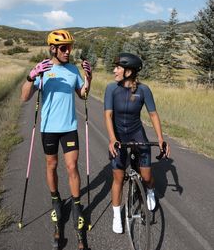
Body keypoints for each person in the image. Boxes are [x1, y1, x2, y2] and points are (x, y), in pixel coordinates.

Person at [21, 29, 92, 233]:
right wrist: (31, 76)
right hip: (48, 128)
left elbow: (83, 94)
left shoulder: (72, 70)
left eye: (70, 47)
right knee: (51, 165)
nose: (68, 51)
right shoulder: (43, 68)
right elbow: (24, 97)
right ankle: (55, 201)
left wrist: (89, 77)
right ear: (53, 48)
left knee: (72, 167)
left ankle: (77, 205)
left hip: (69, 127)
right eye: (63, 48)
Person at [104, 53, 170, 234]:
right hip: (118, 137)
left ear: (129, 71)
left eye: (118, 67)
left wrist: (161, 138)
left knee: (147, 176)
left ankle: (149, 191)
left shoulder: (144, 90)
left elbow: (153, 115)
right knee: (118, 178)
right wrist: (112, 139)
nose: (114, 70)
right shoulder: (111, 89)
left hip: (137, 134)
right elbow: (108, 115)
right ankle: (117, 216)